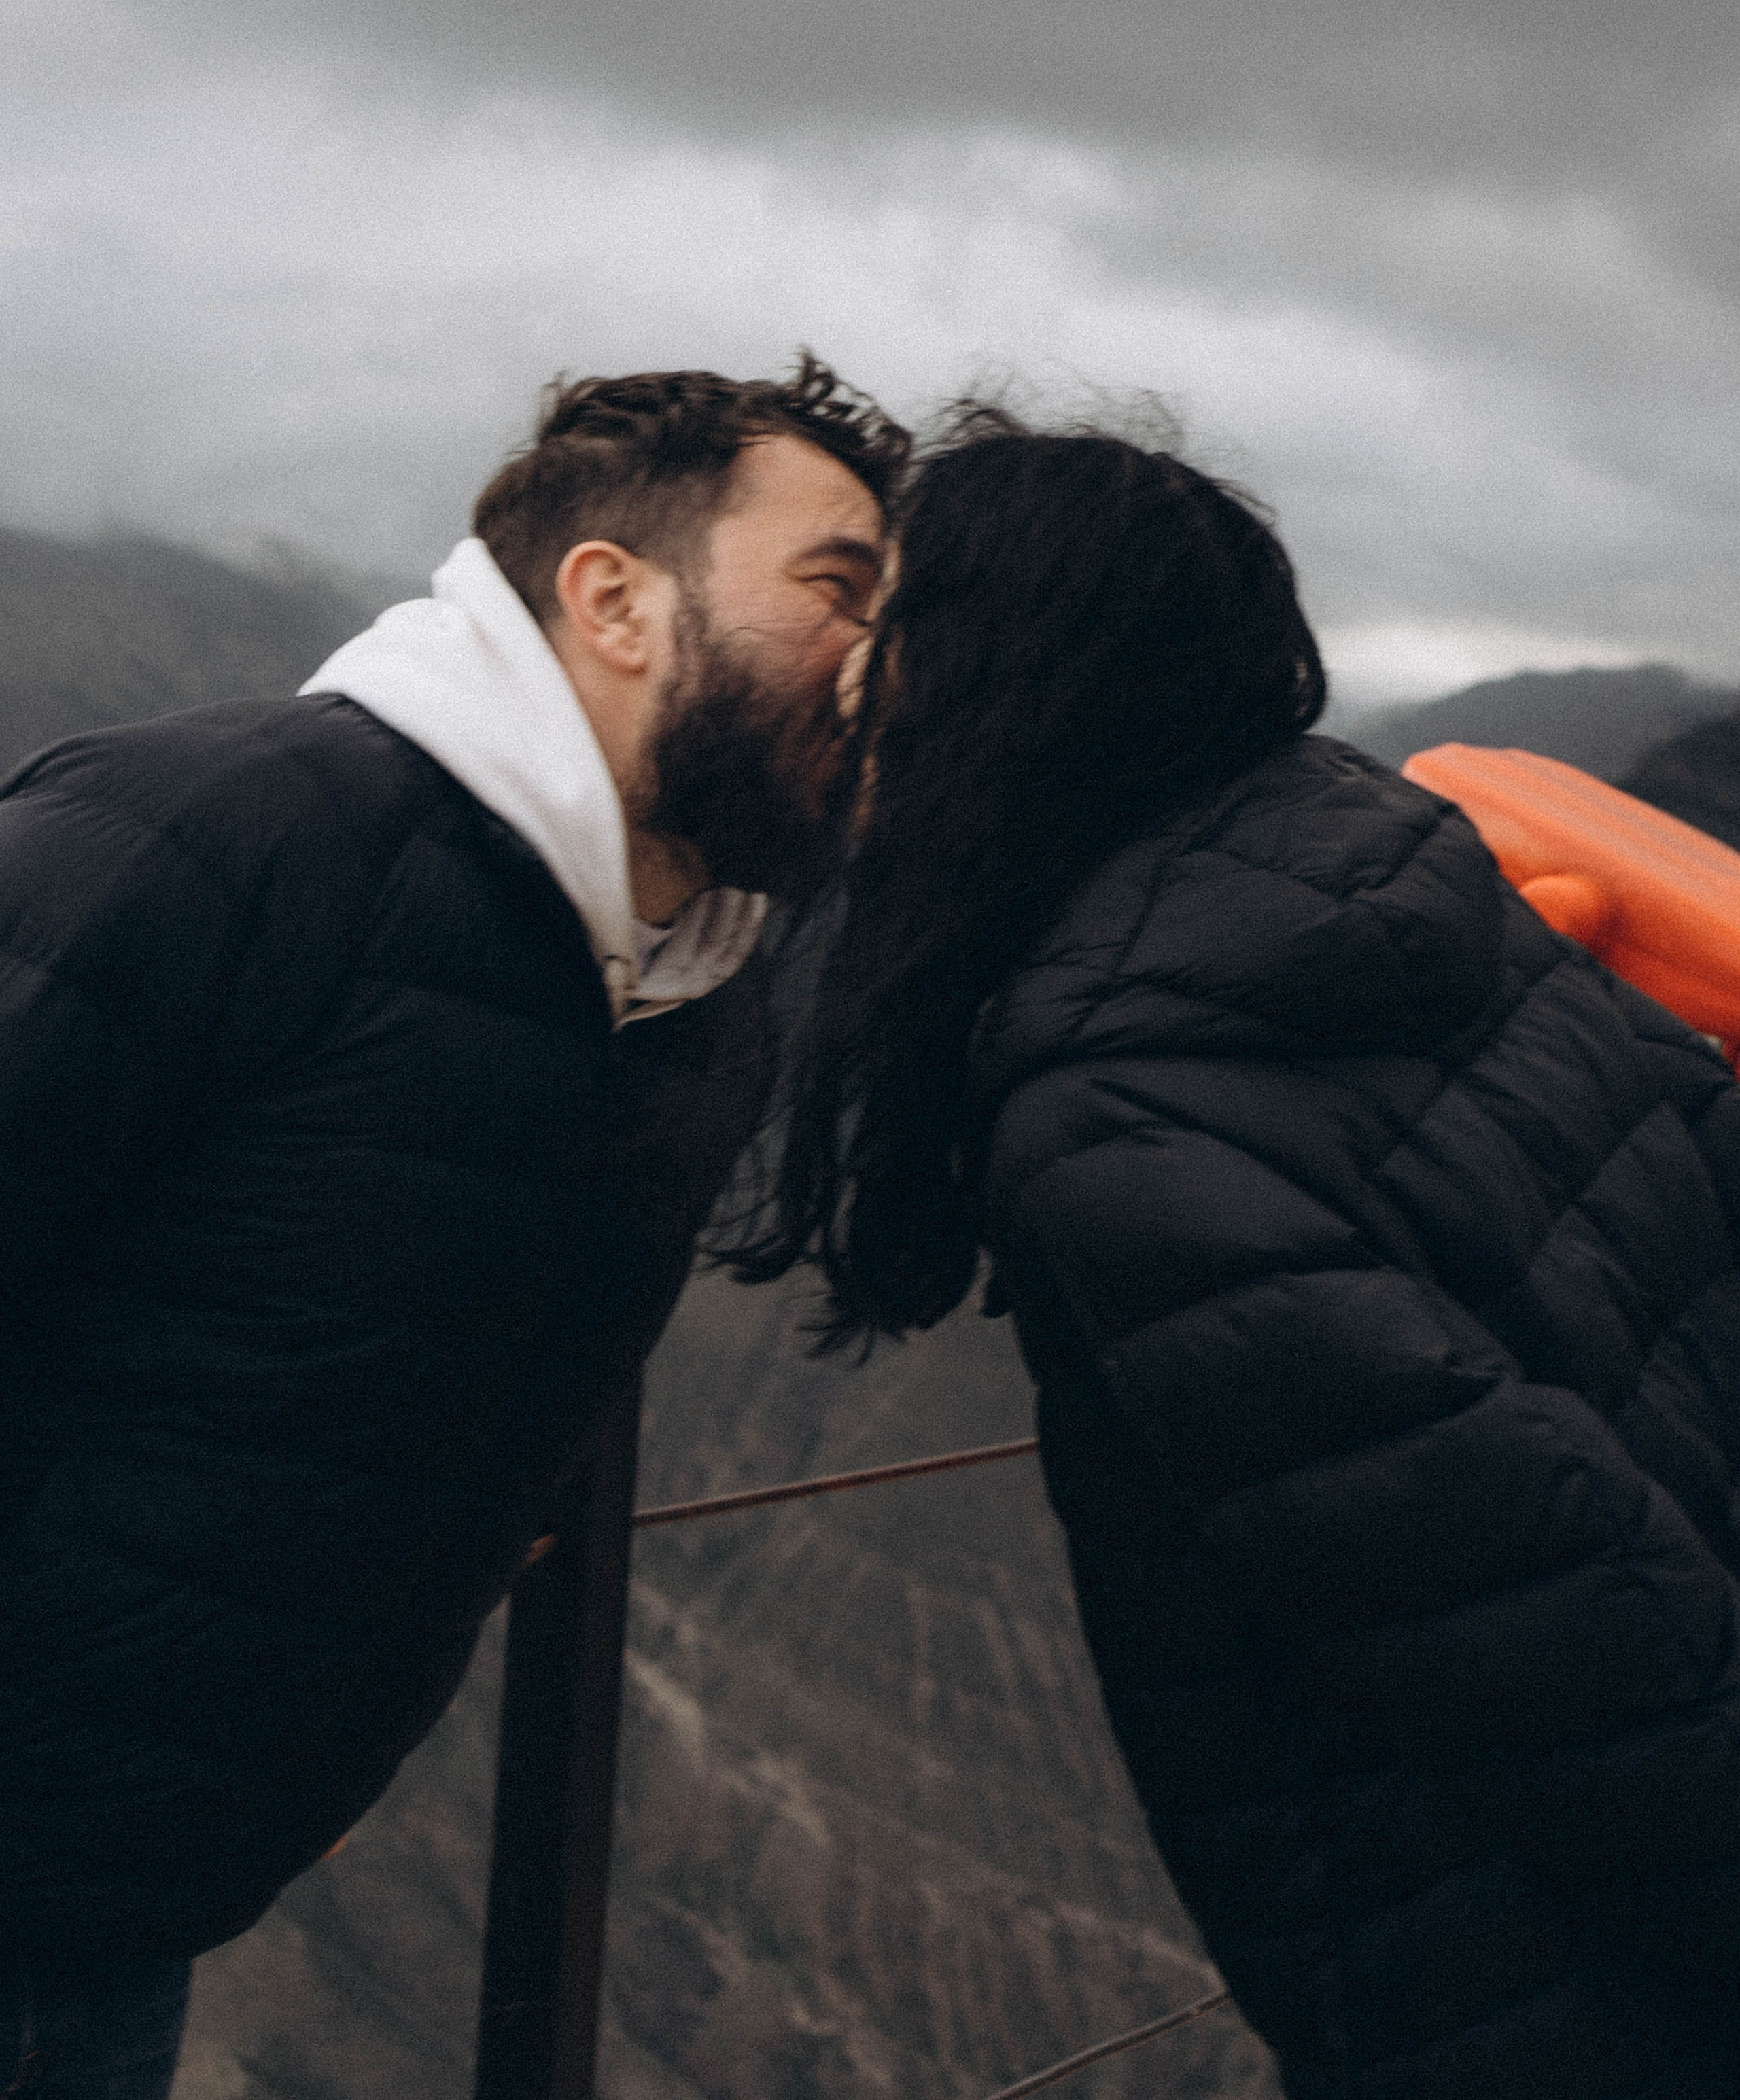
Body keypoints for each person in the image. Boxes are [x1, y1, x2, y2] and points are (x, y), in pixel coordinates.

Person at [744, 406, 1740, 2100]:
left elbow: (1559, 1637)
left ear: (998, 680)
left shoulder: (1121, 1123)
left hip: (1529, 1972)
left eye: (888, 634)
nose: (847, 690)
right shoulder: (1410, 887)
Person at [0, 357, 906, 2100]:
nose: (881, 667)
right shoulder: (213, 834)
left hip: (138, 1901)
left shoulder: (690, 985)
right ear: (612, 601)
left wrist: (300, 1757)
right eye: (836, 590)